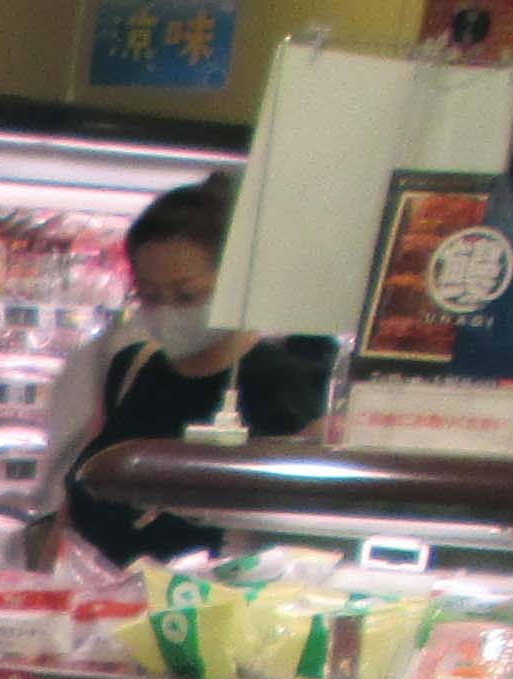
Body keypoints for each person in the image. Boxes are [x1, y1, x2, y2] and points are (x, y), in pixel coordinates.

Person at [30, 179, 336, 569]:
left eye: (187, 295)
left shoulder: (283, 386)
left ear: (235, 287)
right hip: (101, 597)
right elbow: (78, 501)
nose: (168, 311)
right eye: (150, 295)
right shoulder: (131, 369)